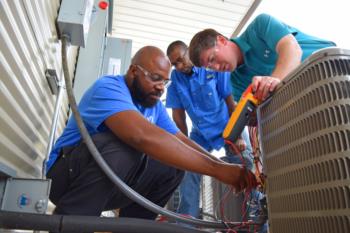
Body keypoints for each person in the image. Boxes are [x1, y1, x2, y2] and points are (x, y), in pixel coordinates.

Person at [46, 46, 256, 220]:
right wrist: (216, 170)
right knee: (127, 147)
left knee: (173, 164)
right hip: (64, 179)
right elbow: (140, 136)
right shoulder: (109, 87)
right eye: (155, 78)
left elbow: (179, 140)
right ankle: (70, 222)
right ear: (134, 71)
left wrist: (223, 166)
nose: (160, 88)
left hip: (110, 188)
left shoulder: (153, 106)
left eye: (164, 81)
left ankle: (134, 226)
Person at [166, 40, 253, 219]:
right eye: (174, 64)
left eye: (181, 60)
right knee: (188, 170)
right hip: (200, 134)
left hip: (228, 125)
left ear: (189, 52)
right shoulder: (175, 80)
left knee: (245, 162)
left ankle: (253, 221)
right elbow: (178, 117)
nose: (179, 66)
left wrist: (237, 135)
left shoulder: (211, 67)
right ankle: (187, 225)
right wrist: (183, 147)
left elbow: (231, 102)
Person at [188, 13, 336, 102]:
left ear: (221, 40)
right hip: (309, 97)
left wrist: (274, 80)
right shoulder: (236, 84)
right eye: (209, 67)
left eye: (212, 59)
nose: (216, 68)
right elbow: (259, 111)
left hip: (330, 67)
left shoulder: (260, 26)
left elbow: (292, 49)